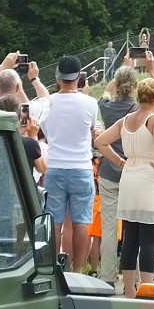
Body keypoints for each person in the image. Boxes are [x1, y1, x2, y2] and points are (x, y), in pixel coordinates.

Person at [94, 77, 154, 297]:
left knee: (131, 238)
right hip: (150, 182)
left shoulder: (125, 120)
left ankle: (129, 288)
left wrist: (119, 161)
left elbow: (100, 141)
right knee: (149, 239)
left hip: (130, 180)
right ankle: (148, 288)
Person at [43, 55, 100, 273]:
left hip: (56, 166)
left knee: (55, 221)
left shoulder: (48, 101)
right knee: (81, 221)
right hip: (81, 167)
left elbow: (46, 132)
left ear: (58, 77)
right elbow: (92, 131)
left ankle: (55, 268)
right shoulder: (90, 104)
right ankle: (78, 270)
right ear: (78, 77)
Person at [0, 51, 50, 123]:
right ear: (17, 87)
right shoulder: (26, 112)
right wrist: (34, 79)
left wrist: (4, 66)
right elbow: (46, 99)